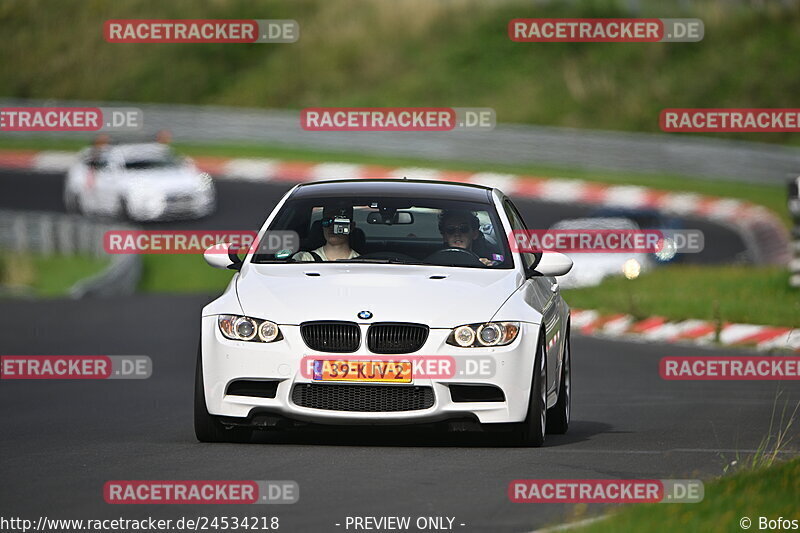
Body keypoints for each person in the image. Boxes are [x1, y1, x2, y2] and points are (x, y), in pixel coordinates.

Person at [293, 205, 361, 262]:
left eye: (339, 222)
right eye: (327, 222)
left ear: (351, 226)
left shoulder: (362, 263)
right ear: (322, 225)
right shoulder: (303, 259)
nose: (332, 227)